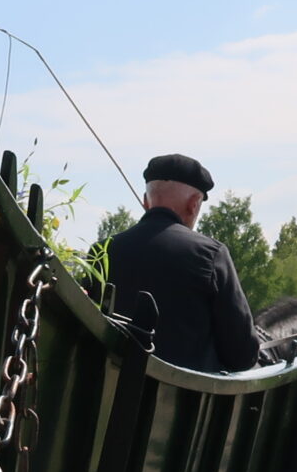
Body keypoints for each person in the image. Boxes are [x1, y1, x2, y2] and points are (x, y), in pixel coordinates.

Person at [102, 154, 262, 374]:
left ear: (146, 201)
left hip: (103, 389)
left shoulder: (102, 251)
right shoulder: (212, 255)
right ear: (193, 204)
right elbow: (243, 355)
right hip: (183, 395)